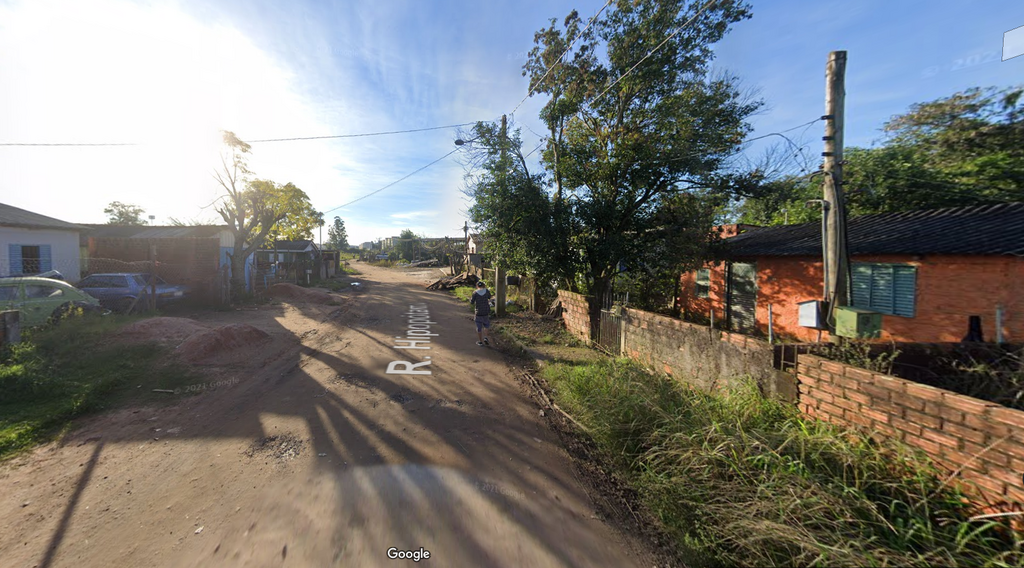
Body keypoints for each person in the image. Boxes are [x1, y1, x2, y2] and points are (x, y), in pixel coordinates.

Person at [470, 280, 492, 346]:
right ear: (484, 286)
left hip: (478, 312)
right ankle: (486, 337)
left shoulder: (475, 293)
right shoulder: (487, 291)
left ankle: (480, 341)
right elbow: (489, 297)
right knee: (486, 325)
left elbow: (472, 302)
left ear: (477, 286)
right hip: (486, 311)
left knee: (479, 327)